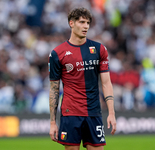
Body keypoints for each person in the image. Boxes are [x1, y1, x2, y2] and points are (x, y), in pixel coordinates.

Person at [48, 7, 116, 150]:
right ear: (71, 23)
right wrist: (53, 122)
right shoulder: (57, 53)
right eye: (82, 22)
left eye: (88, 23)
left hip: (93, 112)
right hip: (70, 113)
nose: (86, 26)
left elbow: (106, 83)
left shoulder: (99, 49)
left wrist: (111, 113)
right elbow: (54, 88)